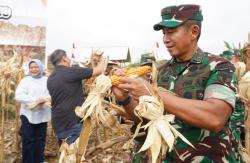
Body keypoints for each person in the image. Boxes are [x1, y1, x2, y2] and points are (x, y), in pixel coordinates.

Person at [112, 4, 244, 162]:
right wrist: (125, 99)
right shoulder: (161, 71)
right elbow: (147, 120)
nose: (165, 39)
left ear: (194, 32)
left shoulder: (219, 67)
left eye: (172, 32)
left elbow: (215, 117)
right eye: (164, 33)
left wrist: (154, 93)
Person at [47, 49, 104, 145]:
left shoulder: (50, 78)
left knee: (64, 153)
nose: (69, 59)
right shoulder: (71, 72)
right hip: (72, 123)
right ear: (64, 58)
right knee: (73, 155)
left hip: (58, 123)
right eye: (68, 57)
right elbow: (99, 71)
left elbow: (65, 92)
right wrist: (101, 59)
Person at [15, 59, 51, 163]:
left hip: (42, 114)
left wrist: (45, 99)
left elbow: (51, 93)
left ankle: (39, 160)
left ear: (40, 68)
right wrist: (35, 100)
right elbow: (19, 95)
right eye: (31, 67)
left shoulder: (46, 80)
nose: (33, 69)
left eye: (36, 67)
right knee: (28, 140)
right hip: (28, 115)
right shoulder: (25, 81)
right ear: (29, 69)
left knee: (40, 140)